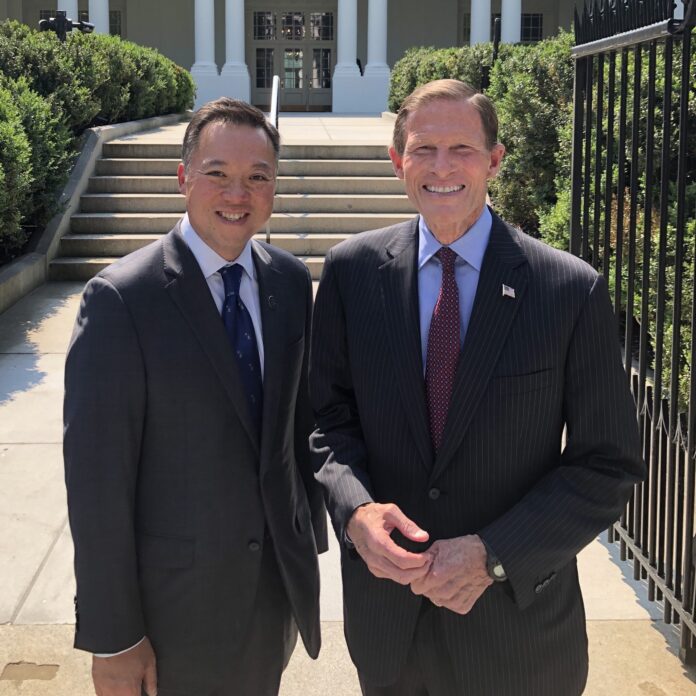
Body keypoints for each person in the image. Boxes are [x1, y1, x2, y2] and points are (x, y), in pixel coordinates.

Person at [309, 79, 644, 696]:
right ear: (397, 160)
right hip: (390, 629)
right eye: (423, 149)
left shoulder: (568, 289)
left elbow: (608, 463)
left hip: (518, 637)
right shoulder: (351, 272)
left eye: (461, 149)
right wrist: (355, 511)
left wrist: (494, 554)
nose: (442, 167)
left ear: (494, 159)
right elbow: (326, 418)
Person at [64, 97, 327, 696]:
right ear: (183, 177)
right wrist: (114, 636)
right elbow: (96, 483)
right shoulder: (122, 300)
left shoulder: (289, 282)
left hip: (272, 597)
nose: (238, 193)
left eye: (258, 176)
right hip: (172, 616)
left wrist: (306, 533)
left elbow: (296, 425)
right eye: (217, 173)